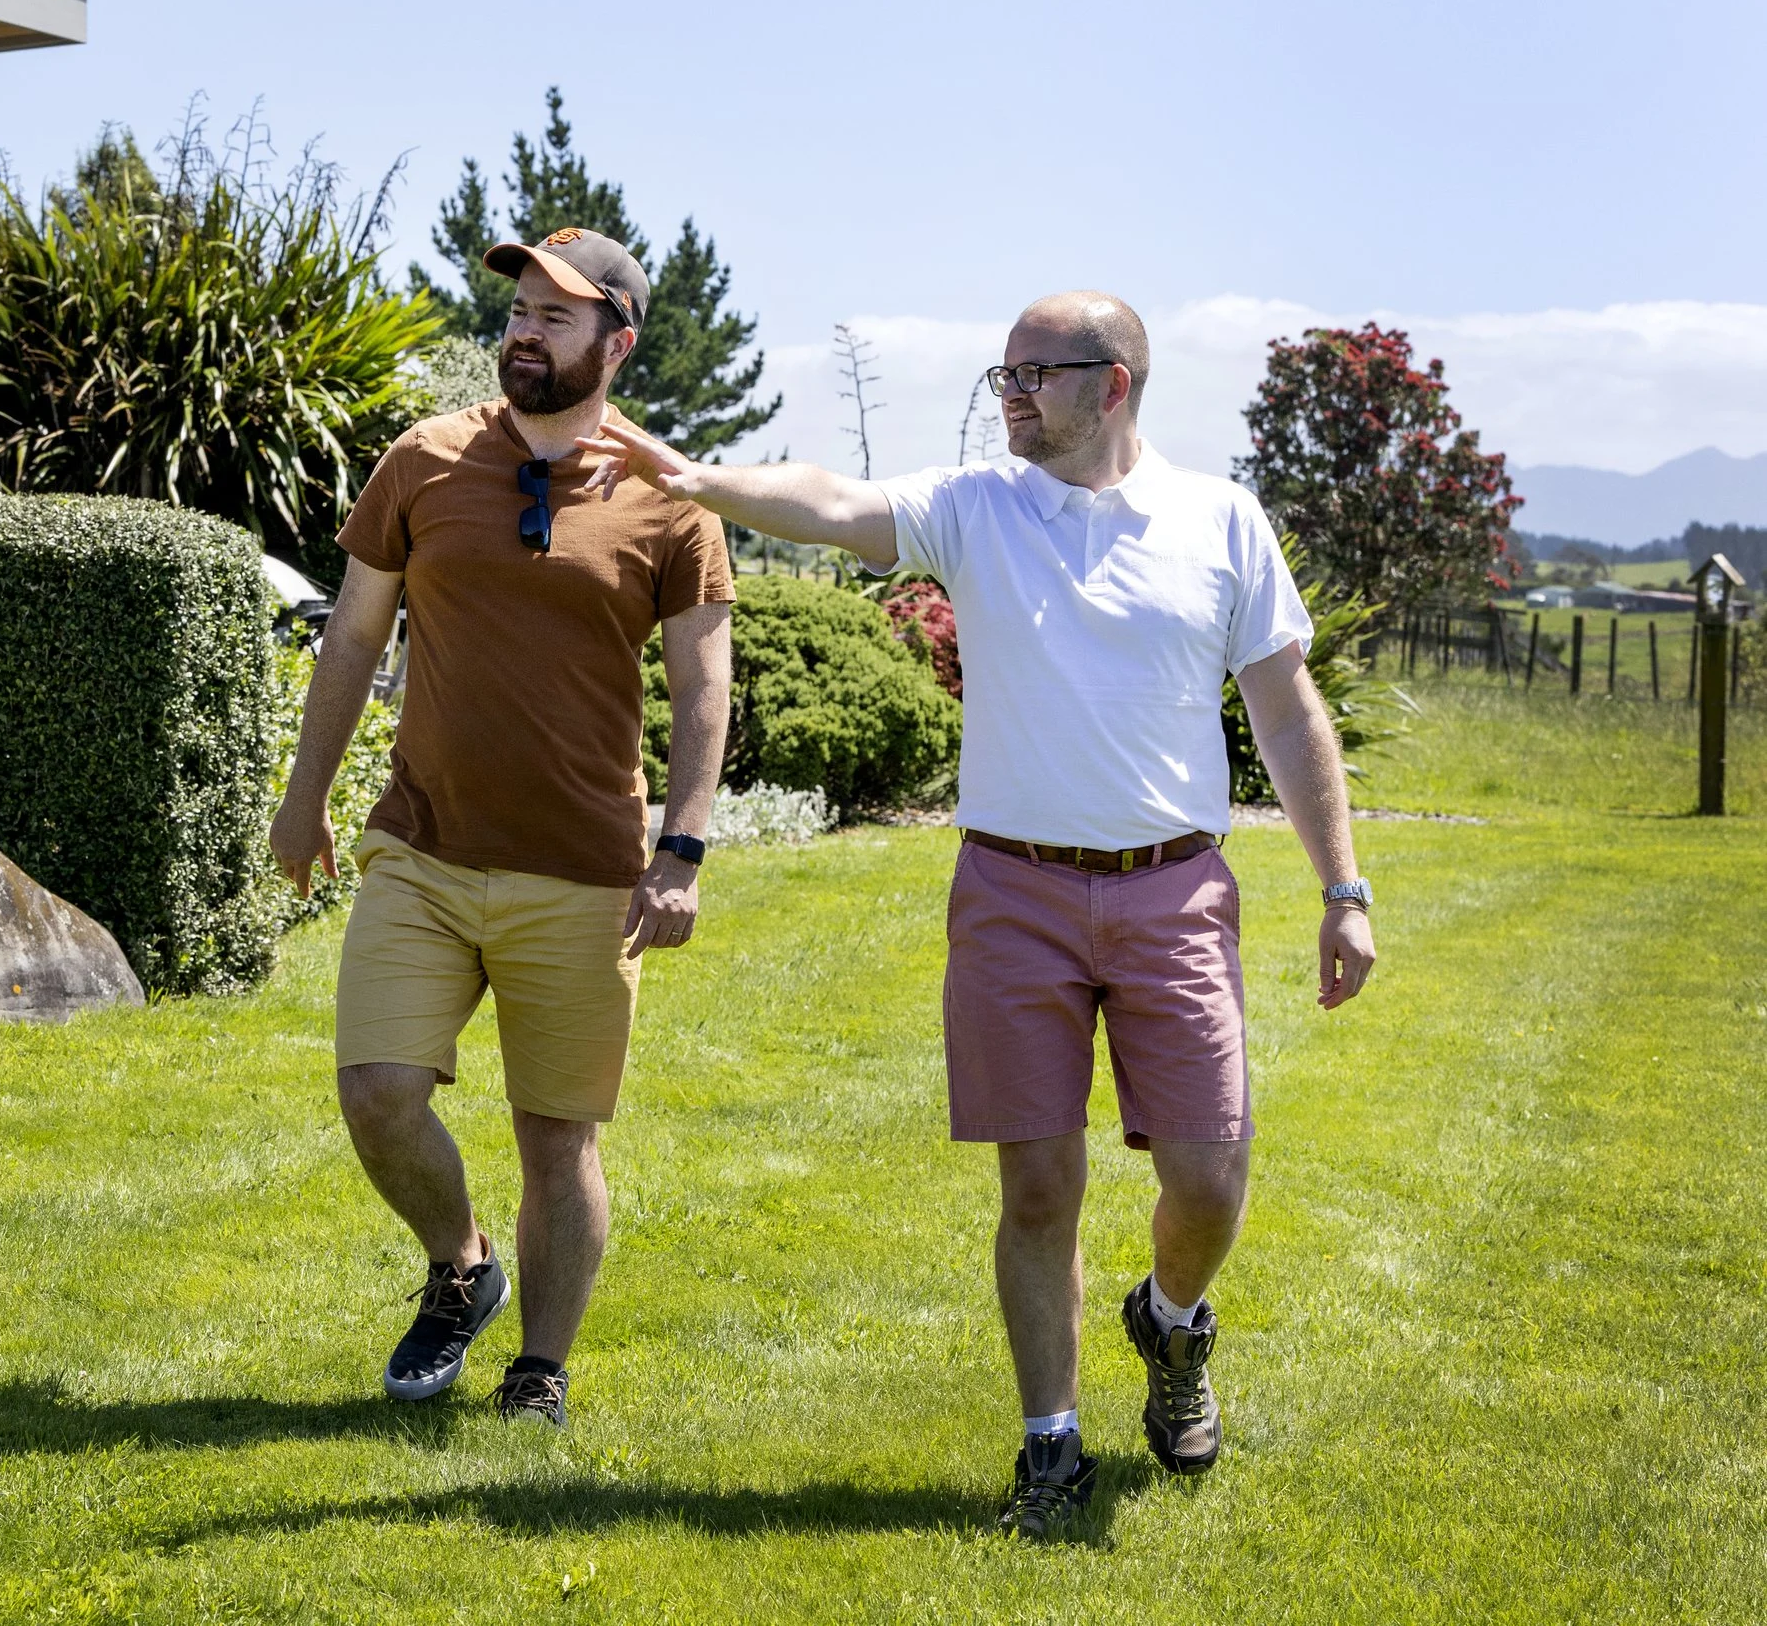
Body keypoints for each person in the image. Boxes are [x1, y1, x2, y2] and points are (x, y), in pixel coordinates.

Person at [578, 291, 1376, 1534]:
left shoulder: (1220, 520)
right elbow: (832, 502)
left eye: (1032, 374)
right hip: (1013, 891)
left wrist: (1342, 889)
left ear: (1111, 385)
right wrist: (698, 480)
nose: (1007, 395)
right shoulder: (976, 506)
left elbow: (1285, 711)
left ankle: (1171, 1322)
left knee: (1209, 1177)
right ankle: (1049, 1444)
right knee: (1038, 1187)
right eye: (1000, 373)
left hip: (1173, 890)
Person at [270, 228, 736, 1427]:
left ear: (615, 344)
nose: (523, 332)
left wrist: (679, 850)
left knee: (556, 1138)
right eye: (519, 310)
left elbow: (702, 688)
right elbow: (353, 640)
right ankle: (461, 1265)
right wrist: (304, 796)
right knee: (377, 1092)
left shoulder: (670, 501)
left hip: (583, 871)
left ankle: (539, 1370)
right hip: (421, 848)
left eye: (554, 317)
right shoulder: (424, 461)